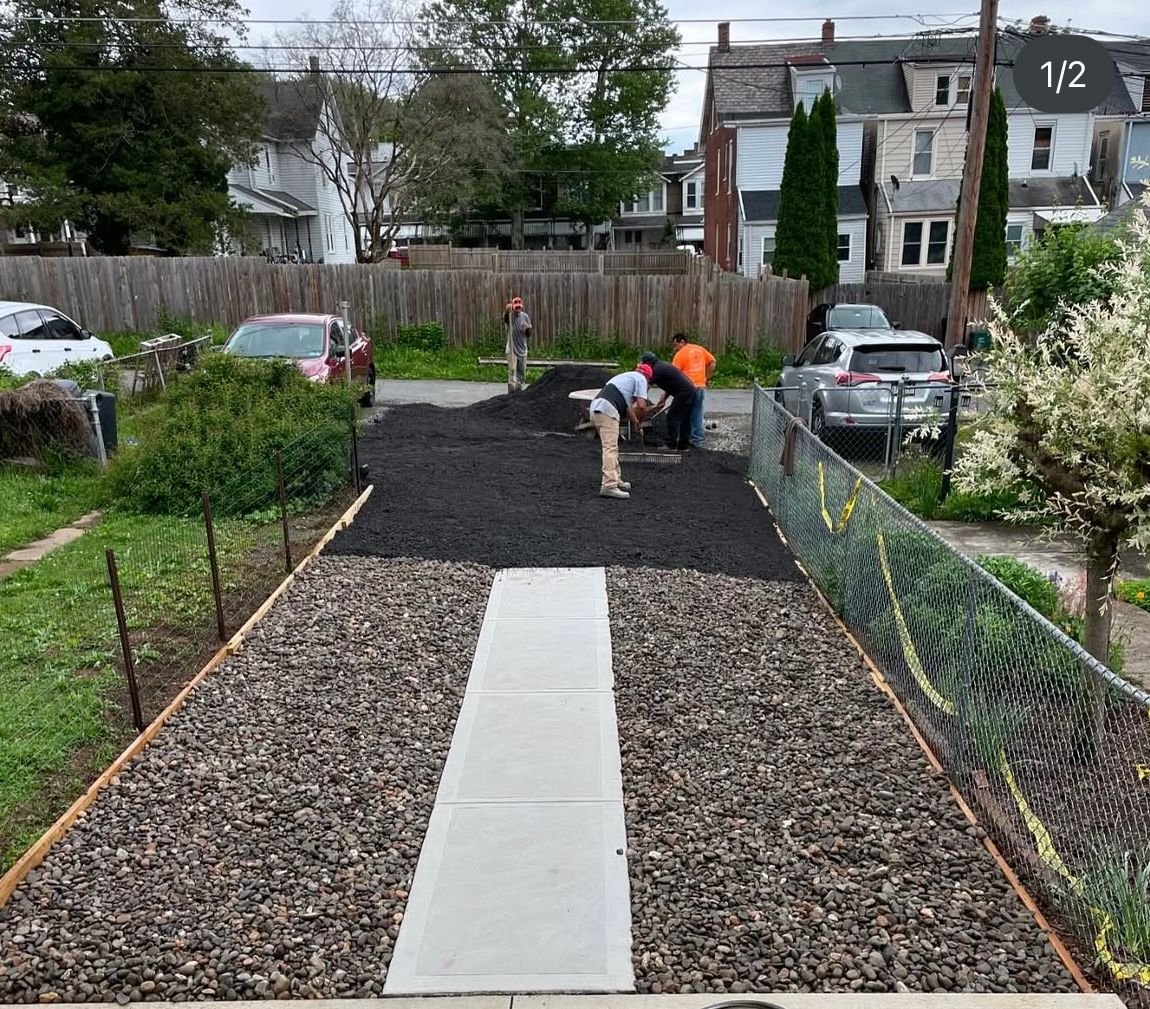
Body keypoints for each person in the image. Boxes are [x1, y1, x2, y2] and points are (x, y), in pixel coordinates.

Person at [588, 363, 652, 499]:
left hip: (597, 408)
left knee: (612, 446)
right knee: (610, 448)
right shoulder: (641, 379)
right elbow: (641, 406)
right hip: (607, 410)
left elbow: (629, 409)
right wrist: (641, 422)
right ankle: (609, 485)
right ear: (648, 378)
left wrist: (635, 424)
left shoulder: (625, 378)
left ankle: (616, 478)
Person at [639, 351, 695, 451]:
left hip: (684, 392)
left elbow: (646, 385)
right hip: (690, 389)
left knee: (672, 416)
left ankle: (671, 444)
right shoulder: (661, 366)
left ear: (648, 363)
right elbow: (671, 384)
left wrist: (640, 400)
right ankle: (683, 445)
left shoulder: (656, 370)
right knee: (685, 418)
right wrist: (664, 399)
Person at [671, 332, 716, 448]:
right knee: (697, 412)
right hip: (700, 386)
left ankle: (684, 439)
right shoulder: (700, 349)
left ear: (682, 342)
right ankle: (698, 440)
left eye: (676, 345)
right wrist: (706, 377)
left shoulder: (680, 355)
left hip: (687, 389)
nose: (675, 349)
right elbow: (713, 362)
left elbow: (673, 374)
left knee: (684, 414)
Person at [505, 296, 532, 391]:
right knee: (513, 372)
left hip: (522, 348)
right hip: (512, 349)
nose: (517, 309)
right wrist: (507, 311)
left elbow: (529, 334)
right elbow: (506, 319)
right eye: (515, 307)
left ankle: (519, 390)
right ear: (513, 307)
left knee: (522, 372)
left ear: (521, 306)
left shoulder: (525, 316)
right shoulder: (510, 316)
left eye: (519, 307)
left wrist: (526, 330)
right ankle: (512, 391)